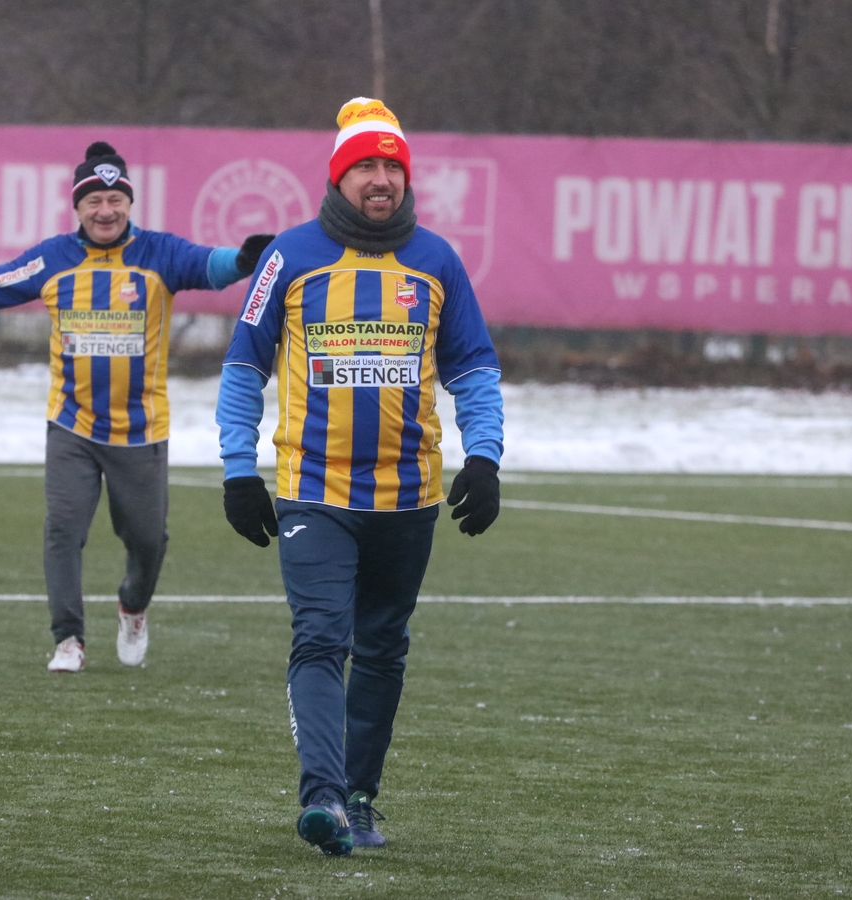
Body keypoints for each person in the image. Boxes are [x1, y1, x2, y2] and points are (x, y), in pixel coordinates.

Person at [0, 140, 272, 674]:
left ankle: (133, 607)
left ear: (129, 204)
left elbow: (210, 265)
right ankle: (68, 639)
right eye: (94, 201)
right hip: (71, 425)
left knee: (147, 542)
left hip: (140, 431)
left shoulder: (158, 254)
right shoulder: (53, 259)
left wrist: (243, 259)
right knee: (62, 530)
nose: (105, 210)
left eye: (115, 200)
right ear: (77, 207)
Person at [216, 99, 504, 856]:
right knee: (320, 637)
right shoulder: (289, 256)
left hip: (408, 498)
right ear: (339, 177)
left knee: (381, 648)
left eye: (391, 166)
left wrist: (485, 457)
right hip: (313, 491)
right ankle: (323, 799)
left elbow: (474, 369)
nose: (381, 179)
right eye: (365, 166)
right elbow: (243, 368)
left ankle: (360, 798)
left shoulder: (438, 261)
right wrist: (239, 470)